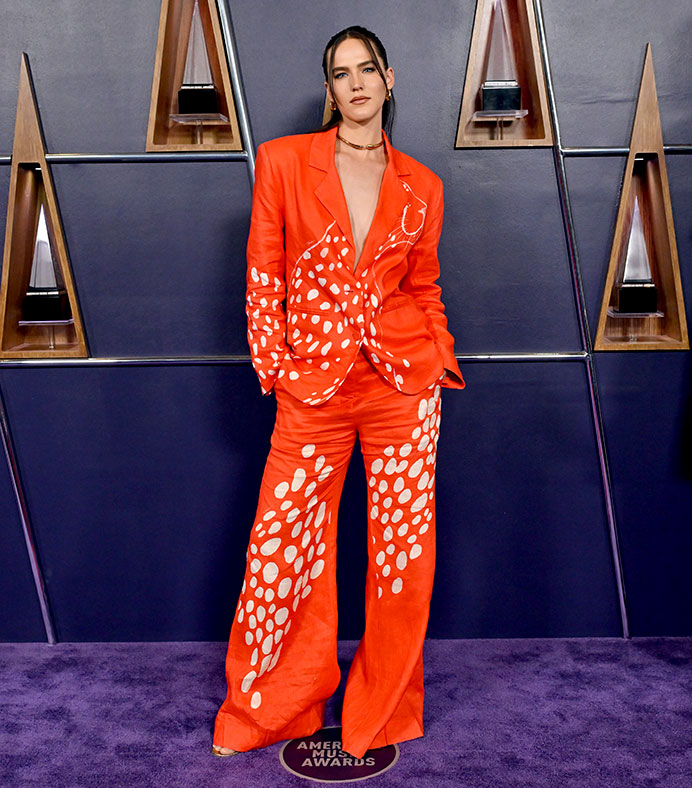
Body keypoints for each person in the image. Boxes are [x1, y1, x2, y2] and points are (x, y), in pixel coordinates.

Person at [212, 24, 464, 760]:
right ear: (330, 89)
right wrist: (277, 368)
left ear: (389, 79)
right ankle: (269, 713)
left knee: (402, 563)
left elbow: (425, 285)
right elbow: (264, 273)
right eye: (340, 73)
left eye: (367, 69)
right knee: (282, 552)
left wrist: (438, 359)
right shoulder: (285, 162)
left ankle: (382, 715)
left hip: (403, 389)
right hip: (313, 389)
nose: (355, 83)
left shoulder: (424, 184)